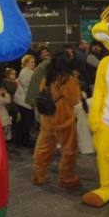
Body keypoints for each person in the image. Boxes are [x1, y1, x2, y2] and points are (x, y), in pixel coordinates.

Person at [32, 50, 81, 188]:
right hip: (64, 121)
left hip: (47, 120)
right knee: (69, 150)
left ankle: (39, 175)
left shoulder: (46, 78)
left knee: (43, 148)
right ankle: (67, 177)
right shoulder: (68, 80)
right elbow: (75, 100)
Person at [12, 54, 36, 148]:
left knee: (24, 121)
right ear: (26, 63)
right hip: (24, 101)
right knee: (26, 121)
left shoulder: (27, 71)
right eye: (31, 62)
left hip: (23, 100)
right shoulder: (26, 72)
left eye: (34, 62)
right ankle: (24, 140)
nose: (33, 64)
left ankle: (21, 139)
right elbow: (29, 88)